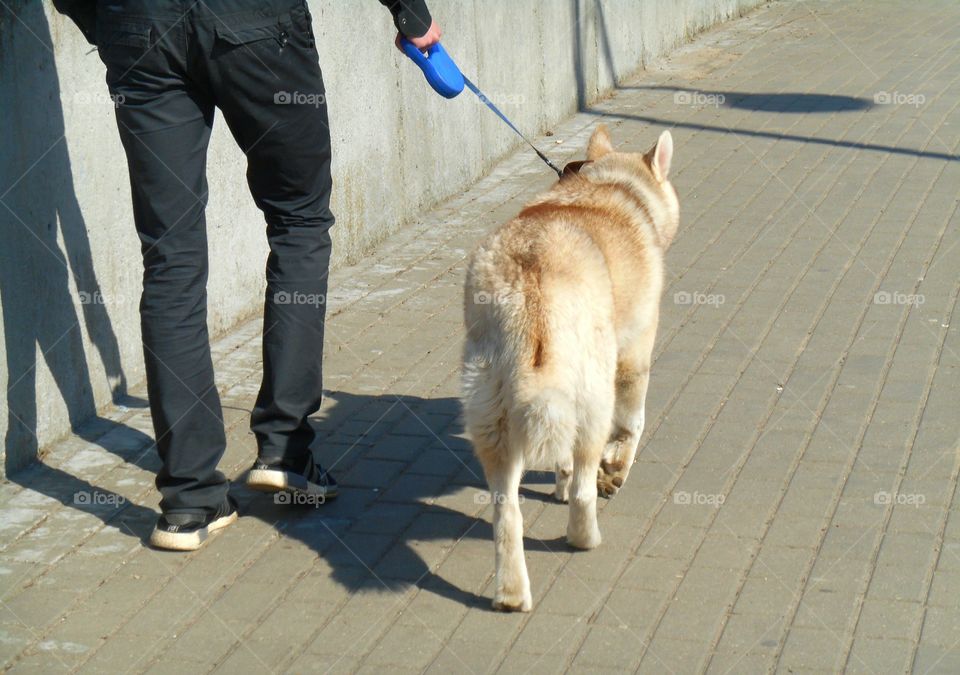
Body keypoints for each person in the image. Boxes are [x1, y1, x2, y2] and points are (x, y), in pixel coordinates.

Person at [52, 0, 441, 551]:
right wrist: (410, 13)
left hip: (137, 28)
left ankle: (189, 502)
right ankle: (285, 450)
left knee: (170, 257)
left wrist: (111, 22)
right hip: (255, 25)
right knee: (299, 219)